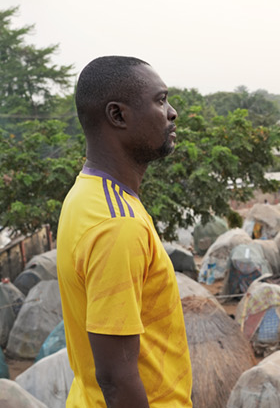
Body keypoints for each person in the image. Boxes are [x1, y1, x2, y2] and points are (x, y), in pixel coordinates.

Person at [57, 56, 192, 406]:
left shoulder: (85, 195)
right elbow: (116, 379)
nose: (172, 112)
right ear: (117, 116)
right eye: (160, 101)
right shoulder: (117, 224)